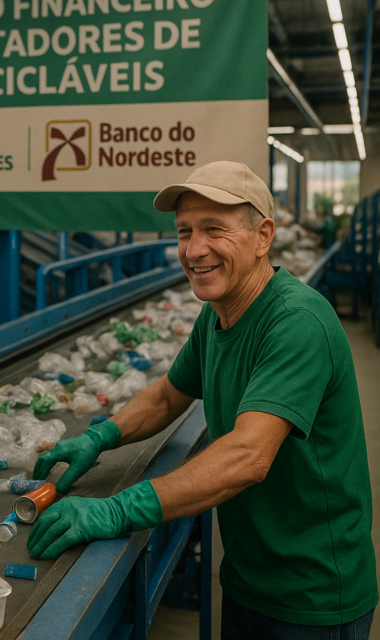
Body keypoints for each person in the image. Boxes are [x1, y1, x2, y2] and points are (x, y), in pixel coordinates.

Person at [28, 161, 377, 636]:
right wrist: (102, 435)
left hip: (312, 596)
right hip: (247, 577)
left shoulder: (296, 322)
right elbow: (170, 394)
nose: (194, 250)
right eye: (184, 232)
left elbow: (247, 456)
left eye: (214, 229)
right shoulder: (218, 315)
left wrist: (117, 509)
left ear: (263, 236)